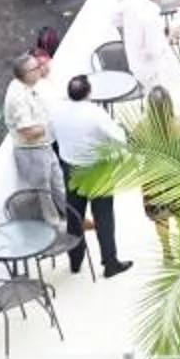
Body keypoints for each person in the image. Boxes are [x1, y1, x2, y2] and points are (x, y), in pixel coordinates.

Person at [55, 73, 133, 279]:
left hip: (71, 168)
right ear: (89, 93)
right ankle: (110, 263)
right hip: (97, 170)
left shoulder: (57, 110)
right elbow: (119, 137)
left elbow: (52, 135)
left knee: (74, 215)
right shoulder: (95, 114)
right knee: (104, 216)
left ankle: (75, 260)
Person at [1, 52, 71, 262]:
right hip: (32, 151)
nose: (40, 70)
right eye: (35, 68)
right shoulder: (18, 97)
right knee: (44, 193)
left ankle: (72, 217)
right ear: (25, 74)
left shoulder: (30, 87)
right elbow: (28, 131)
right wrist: (49, 124)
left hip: (45, 146)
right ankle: (54, 231)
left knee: (58, 183)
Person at [135, 85, 180, 259]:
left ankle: (167, 251)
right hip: (179, 176)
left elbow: (136, 150)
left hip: (153, 180)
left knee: (161, 219)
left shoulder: (142, 126)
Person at [118, 0, 180, 107]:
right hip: (152, 69)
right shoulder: (150, 17)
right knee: (161, 103)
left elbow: (115, 18)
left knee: (152, 99)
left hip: (135, 60)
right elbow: (155, 50)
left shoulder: (130, 1)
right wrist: (170, 35)